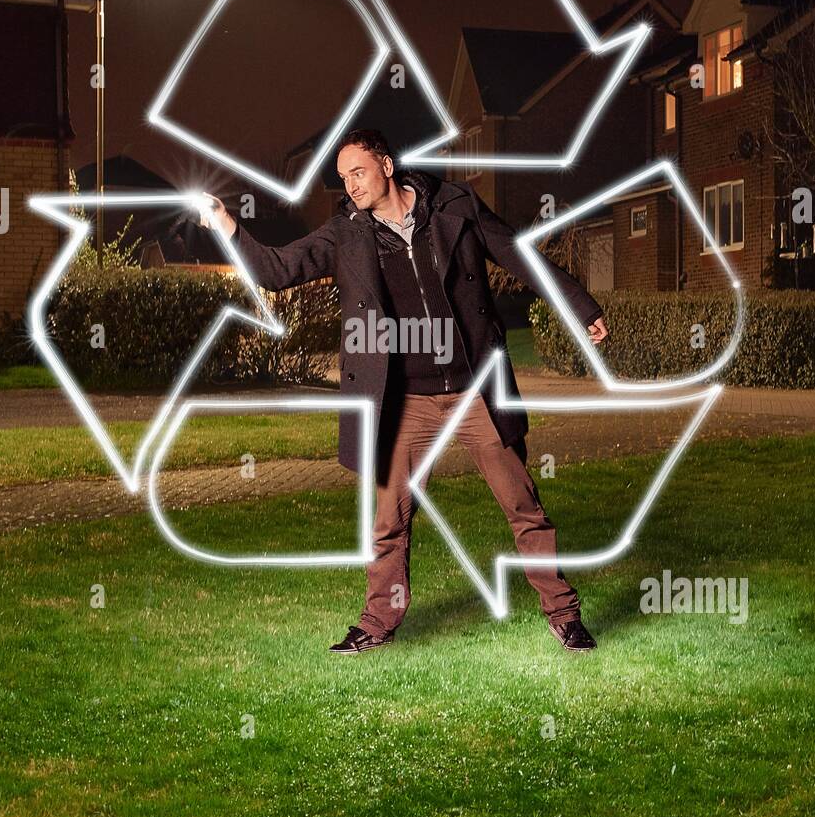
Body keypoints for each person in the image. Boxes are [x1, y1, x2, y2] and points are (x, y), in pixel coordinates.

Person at [194, 129, 609, 652]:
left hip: (474, 391)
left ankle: (563, 614)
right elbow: (277, 270)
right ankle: (376, 623)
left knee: (523, 506)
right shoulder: (345, 233)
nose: (351, 186)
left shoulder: (455, 205)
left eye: (358, 172)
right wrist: (227, 224)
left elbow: (518, 256)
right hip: (405, 402)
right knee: (389, 521)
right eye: (343, 179)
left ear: (386, 165)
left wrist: (579, 305)